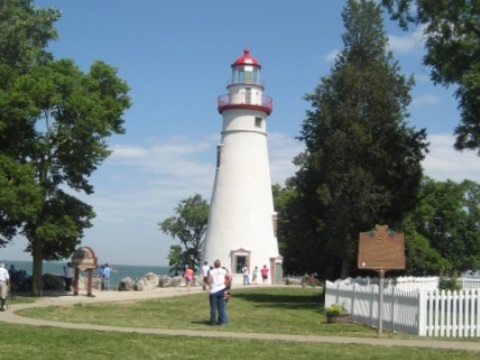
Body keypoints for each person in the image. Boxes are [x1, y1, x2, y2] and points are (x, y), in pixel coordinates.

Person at [207, 259, 231, 326]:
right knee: (221, 307)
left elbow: (209, 281)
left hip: (213, 291)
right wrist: (225, 284)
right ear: (220, 264)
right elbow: (229, 277)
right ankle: (222, 321)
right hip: (222, 290)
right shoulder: (223, 271)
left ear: (214, 265)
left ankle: (213, 321)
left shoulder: (211, 271)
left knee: (213, 307)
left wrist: (210, 283)